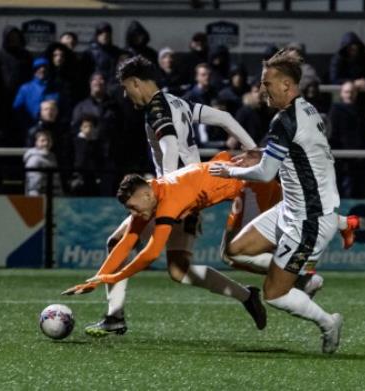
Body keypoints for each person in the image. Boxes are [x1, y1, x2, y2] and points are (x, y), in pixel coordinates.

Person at [75, 55, 259, 337]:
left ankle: (115, 316)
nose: (126, 95)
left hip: (174, 196)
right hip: (192, 195)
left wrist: (168, 194)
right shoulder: (178, 102)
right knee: (178, 269)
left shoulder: (156, 109)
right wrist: (253, 149)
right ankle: (247, 296)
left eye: (126, 88)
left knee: (117, 242)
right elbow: (225, 118)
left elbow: (170, 146)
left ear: (136, 83)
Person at [209, 49, 347, 354]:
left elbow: (267, 173)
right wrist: (260, 152)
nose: (262, 89)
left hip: (310, 219)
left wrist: (229, 171)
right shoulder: (306, 110)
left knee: (273, 293)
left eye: (267, 83)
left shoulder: (285, 120)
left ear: (287, 85)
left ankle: (328, 322)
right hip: (291, 208)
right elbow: (293, 153)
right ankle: (300, 276)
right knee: (234, 251)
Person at [24, 130, 62, 196]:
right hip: (40, 199)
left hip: (54, 198)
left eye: (48, 140)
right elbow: (33, 186)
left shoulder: (52, 157)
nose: (46, 143)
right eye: (42, 140)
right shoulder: (34, 159)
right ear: (36, 143)